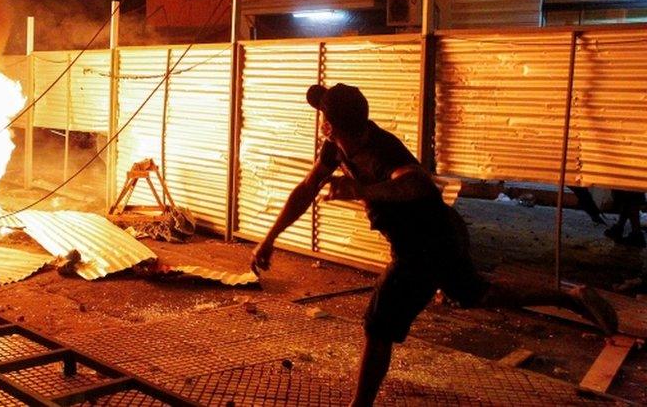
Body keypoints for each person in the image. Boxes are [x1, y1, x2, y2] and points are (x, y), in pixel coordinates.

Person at [250, 83, 619, 407]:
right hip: (437, 236)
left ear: (332, 126)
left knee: (379, 323)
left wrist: (361, 189)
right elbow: (306, 189)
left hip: (425, 243)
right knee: (478, 294)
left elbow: (419, 185)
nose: (324, 128)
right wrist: (270, 238)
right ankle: (569, 297)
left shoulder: (381, 150)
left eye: (326, 122)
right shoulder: (335, 147)